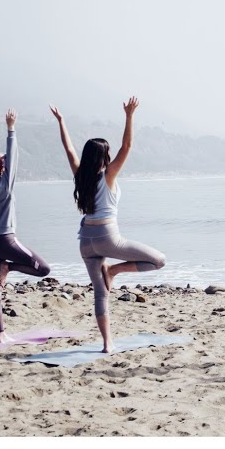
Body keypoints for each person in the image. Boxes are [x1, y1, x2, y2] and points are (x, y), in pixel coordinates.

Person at [50, 97, 166, 353]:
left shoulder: (80, 176)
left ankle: (107, 343)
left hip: (85, 242)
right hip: (107, 238)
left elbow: (68, 150)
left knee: (100, 294)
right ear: (104, 156)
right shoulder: (108, 175)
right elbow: (127, 146)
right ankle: (114, 270)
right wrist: (129, 115)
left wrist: (61, 121)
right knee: (159, 261)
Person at [0, 109, 51, 343]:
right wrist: (11, 128)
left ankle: (1, 335)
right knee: (43, 269)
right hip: (6, 242)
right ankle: (8, 267)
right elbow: (13, 155)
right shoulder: (5, 186)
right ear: (4, 169)